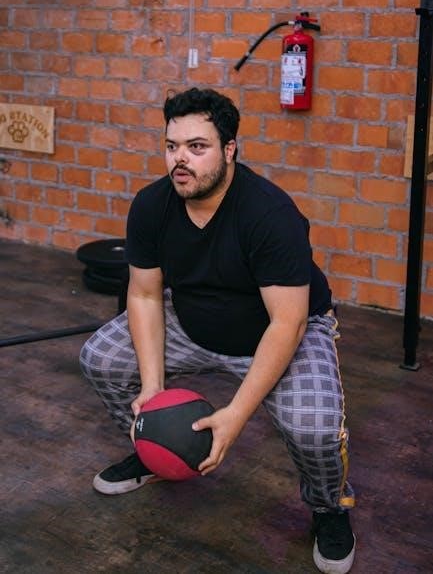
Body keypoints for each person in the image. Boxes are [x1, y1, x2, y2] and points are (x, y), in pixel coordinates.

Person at [80, 87, 356, 574]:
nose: (180, 159)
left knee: (312, 429)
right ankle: (157, 450)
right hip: (193, 321)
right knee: (101, 357)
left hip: (280, 330)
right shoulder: (152, 205)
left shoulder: (269, 215)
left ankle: (328, 506)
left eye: (197, 147)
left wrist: (236, 415)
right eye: (172, 146)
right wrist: (152, 390)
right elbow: (144, 296)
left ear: (230, 149)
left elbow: (287, 322)